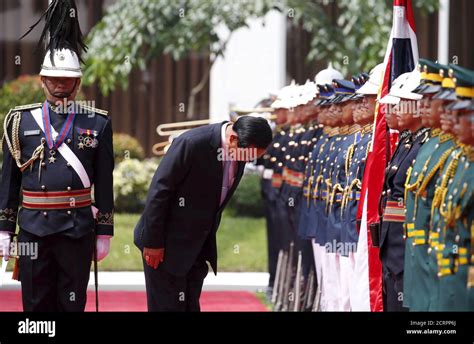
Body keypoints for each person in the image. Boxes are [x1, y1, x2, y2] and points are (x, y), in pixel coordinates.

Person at [0, 0, 114, 312]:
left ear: (78, 82)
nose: (60, 86)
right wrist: (5, 229)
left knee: (71, 301)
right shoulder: (19, 121)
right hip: (32, 229)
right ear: (42, 80)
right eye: (54, 79)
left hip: (76, 229)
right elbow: (9, 181)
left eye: (67, 80)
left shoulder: (97, 122)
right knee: (35, 304)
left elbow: (105, 183)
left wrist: (104, 231)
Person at [134, 116, 272, 311]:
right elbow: (159, 192)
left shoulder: (239, 151)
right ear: (233, 139)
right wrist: (153, 242)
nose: (250, 161)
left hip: (196, 249)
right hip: (164, 246)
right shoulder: (191, 143)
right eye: (249, 156)